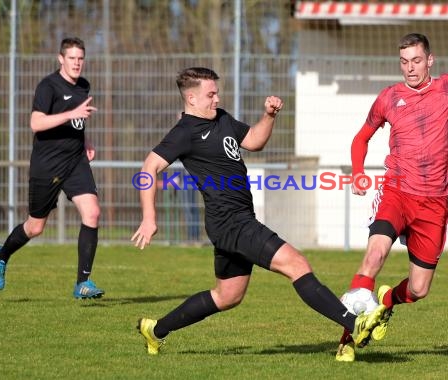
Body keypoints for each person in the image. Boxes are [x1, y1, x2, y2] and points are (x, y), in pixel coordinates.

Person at [131, 67, 378, 355]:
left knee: (227, 296)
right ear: (191, 98)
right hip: (231, 223)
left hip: (236, 221)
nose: (216, 99)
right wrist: (149, 218)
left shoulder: (221, 119)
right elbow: (149, 168)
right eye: (210, 94)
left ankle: (155, 329)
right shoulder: (184, 132)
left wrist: (269, 116)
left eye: (217, 92)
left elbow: (254, 141)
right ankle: (354, 323)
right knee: (297, 264)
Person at [335, 18, 448, 362]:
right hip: (397, 191)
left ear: (429, 60)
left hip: (434, 203)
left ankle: (385, 303)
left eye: (416, 60)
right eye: (404, 62)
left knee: (418, 289)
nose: (410, 68)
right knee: (374, 256)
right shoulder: (389, 97)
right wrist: (358, 173)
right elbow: (361, 137)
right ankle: (346, 339)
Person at [0, 37, 104, 299]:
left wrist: (86, 140)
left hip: (75, 161)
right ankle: (1, 255)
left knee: (93, 212)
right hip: (47, 165)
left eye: (80, 58)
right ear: (60, 59)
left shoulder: (83, 85)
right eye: (72, 58)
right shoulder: (48, 86)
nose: (77, 63)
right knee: (35, 227)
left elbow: (79, 120)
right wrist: (69, 115)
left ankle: (82, 283)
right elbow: (36, 123)